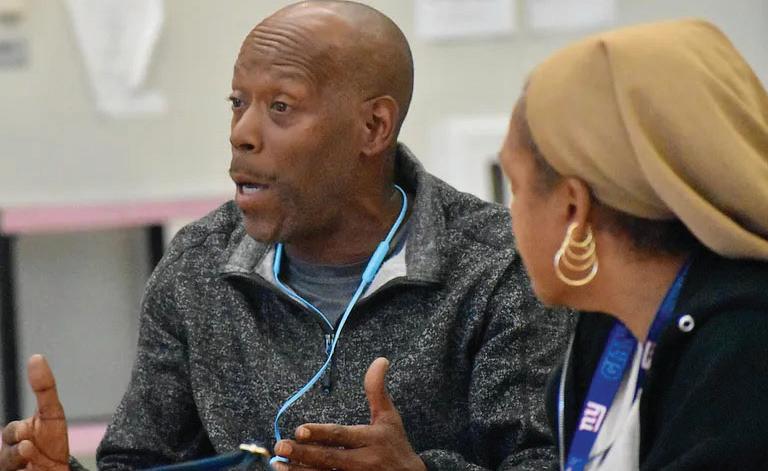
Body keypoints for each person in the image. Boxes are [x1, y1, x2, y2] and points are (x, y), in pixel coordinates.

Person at [0, 2, 573, 470]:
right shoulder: (199, 265)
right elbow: (144, 463)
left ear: (373, 127)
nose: (242, 134)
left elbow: (552, 461)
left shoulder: (501, 266)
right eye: (237, 103)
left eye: (280, 106)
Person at [499, 18, 768, 471]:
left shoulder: (754, 350)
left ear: (574, 207)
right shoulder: (605, 327)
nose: (510, 212)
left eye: (515, 186)